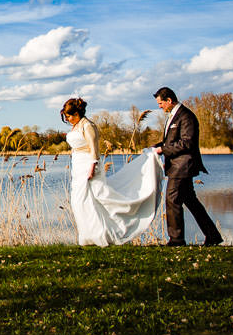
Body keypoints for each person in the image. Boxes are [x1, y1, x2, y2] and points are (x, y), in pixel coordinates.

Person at [61, 97, 163, 246]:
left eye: (69, 116)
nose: (68, 119)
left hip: (88, 165)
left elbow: (94, 149)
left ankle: (103, 234)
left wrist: (92, 168)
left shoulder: (88, 126)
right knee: (79, 202)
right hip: (78, 165)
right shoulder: (76, 126)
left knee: (94, 200)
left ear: (77, 113)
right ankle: (88, 235)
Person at [152, 87, 224, 247]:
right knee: (191, 201)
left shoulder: (186, 116)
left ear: (169, 100)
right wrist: (156, 147)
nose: (159, 106)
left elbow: (186, 143)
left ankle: (177, 240)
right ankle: (213, 236)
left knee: (172, 200)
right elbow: (170, 141)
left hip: (183, 166)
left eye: (161, 103)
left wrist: (163, 150)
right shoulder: (173, 116)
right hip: (177, 166)